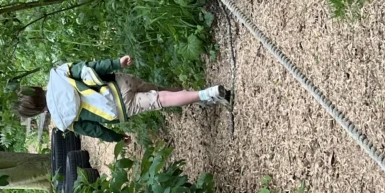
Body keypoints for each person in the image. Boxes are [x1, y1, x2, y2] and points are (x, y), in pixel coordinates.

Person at [13, 55, 228, 145]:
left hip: (119, 108)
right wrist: (117, 63)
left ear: (39, 112)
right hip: (118, 83)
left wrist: (117, 138)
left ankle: (206, 94)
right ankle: (195, 94)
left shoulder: (64, 122)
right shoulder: (59, 75)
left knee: (161, 99)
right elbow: (90, 68)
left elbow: (94, 130)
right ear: (36, 88)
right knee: (160, 90)